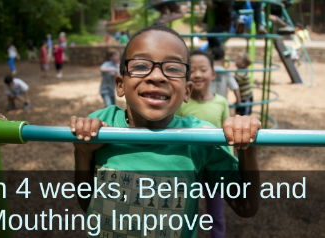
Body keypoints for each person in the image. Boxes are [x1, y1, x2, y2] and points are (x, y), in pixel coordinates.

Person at [69, 25, 261, 238]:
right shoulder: (103, 125)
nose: (157, 76)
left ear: (187, 91)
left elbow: (246, 206)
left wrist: (247, 148)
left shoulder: (199, 138)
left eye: (173, 68)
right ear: (120, 84)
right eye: (141, 65)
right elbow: (87, 203)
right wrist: (83, 152)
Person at [175, 50, 231, 238]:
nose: (197, 74)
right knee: (183, 211)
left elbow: (227, 135)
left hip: (214, 168)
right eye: (193, 70)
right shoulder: (180, 105)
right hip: (188, 167)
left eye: (203, 69)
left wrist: (230, 165)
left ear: (213, 74)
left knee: (216, 213)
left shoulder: (221, 102)